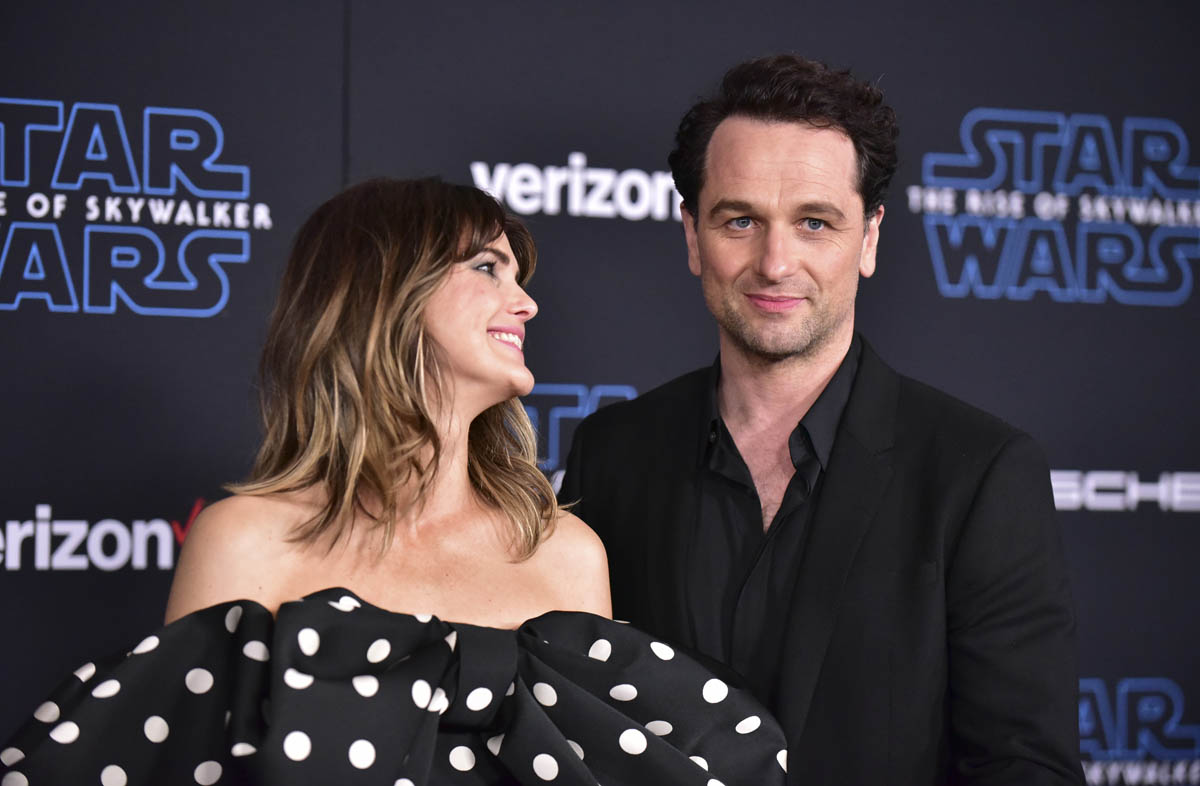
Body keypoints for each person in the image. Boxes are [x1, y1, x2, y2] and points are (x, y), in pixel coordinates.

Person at [2, 178, 787, 786]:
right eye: (487, 268)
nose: (525, 302)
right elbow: (178, 768)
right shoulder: (247, 542)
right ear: (385, 291)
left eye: (517, 276)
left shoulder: (565, 553)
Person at [560, 56, 1083, 785]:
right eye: (740, 220)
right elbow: (570, 729)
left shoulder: (978, 474)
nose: (775, 263)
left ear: (869, 239)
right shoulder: (613, 456)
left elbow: (1024, 768)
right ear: (692, 236)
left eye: (814, 223)